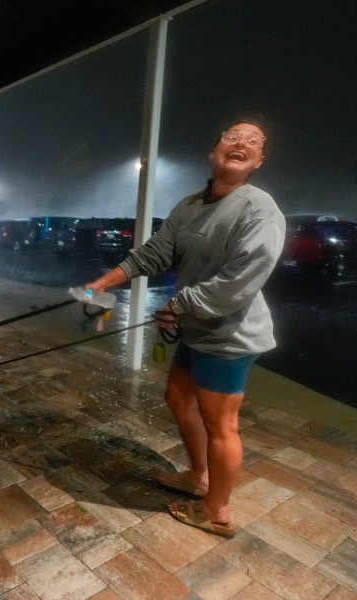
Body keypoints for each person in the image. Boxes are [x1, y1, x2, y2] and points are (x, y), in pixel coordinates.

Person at [81, 117, 285, 538]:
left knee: (221, 424)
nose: (241, 143)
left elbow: (241, 280)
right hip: (196, 327)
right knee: (178, 397)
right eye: (232, 136)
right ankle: (199, 476)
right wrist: (102, 283)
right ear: (213, 152)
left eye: (253, 141)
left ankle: (216, 510)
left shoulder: (259, 209)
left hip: (230, 333)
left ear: (259, 160)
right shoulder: (191, 206)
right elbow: (155, 253)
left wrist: (179, 304)